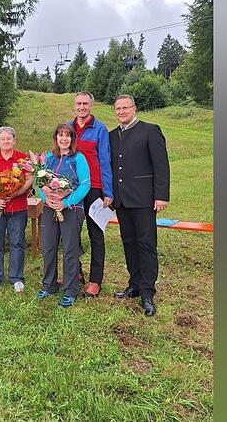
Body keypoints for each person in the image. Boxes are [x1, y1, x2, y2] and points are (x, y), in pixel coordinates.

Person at [109, 95, 170, 317]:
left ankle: (147, 291)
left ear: (134, 108)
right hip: (122, 200)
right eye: (118, 108)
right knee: (128, 242)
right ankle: (134, 283)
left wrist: (161, 196)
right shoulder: (112, 135)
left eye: (126, 108)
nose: (122, 112)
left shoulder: (150, 130)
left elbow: (161, 165)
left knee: (146, 244)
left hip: (144, 200)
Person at [36, 123, 91, 308]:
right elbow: (39, 181)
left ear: (72, 139)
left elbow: (85, 184)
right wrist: (48, 199)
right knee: (49, 248)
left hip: (72, 209)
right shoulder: (48, 157)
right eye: (60, 135)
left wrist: (65, 202)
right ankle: (49, 285)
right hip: (50, 208)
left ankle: (70, 290)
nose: (64, 138)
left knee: (70, 250)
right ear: (56, 138)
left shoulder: (79, 158)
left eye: (68, 135)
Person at [0, 126, 33, 293]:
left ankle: (16, 278)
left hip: (18, 207)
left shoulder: (23, 159)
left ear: (14, 141)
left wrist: (16, 193)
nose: (6, 141)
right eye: (2, 139)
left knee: (17, 242)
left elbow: (30, 178)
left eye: (9, 139)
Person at [70, 91, 114, 297]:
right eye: (78, 103)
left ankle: (95, 280)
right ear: (74, 105)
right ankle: (75, 273)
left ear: (91, 106)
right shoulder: (67, 129)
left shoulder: (100, 130)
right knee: (71, 233)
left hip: (94, 188)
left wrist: (108, 191)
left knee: (96, 234)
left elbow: (105, 161)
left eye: (85, 104)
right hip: (71, 189)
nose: (82, 107)